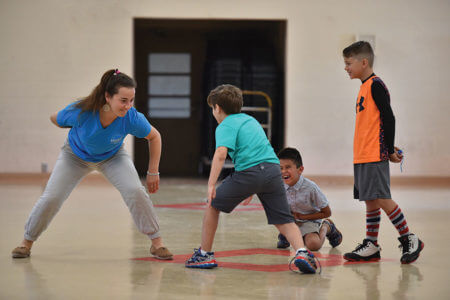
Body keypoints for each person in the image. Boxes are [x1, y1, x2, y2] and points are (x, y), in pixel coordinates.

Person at [11, 69, 173, 260]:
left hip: (112, 157)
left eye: (131, 100)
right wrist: (68, 123)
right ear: (107, 97)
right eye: (123, 100)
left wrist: (153, 171)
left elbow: (154, 137)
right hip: (75, 156)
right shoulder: (82, 112)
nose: (128, 106)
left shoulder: (131, 117)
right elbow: (55, 118)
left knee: (135, 190)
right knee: (52, 197)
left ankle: (157, 243)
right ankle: (26, 242)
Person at [185, 84, 318, 274]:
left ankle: (204, 254)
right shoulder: (251, 120)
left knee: (213, 204)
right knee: (285, 220)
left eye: (212, 108)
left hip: (250, 173)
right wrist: (253, 187)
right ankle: (302, 252)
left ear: (217, 108)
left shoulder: (225, 125)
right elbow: (259, 155)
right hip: (273, 171)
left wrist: (211, 184)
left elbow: (221, 153)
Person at [342, 41, 424, 263]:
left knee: (382, 198)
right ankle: (371, 244)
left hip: (374, 153)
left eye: (349, 63)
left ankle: (409, 237)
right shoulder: (363, 86)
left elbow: (389, 117)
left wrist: (388, 149)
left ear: (364, 62)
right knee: (370, 199)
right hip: (362, 154)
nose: (346, 68)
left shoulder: (376, 85)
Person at [276, 147, 342, 251]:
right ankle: (286, 235)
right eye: (280, 168)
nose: (284, 171)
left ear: (300, 169)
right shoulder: (279, 186)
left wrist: (303, 216)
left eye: (288, 167)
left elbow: (327, 212)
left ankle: (327, 226)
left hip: (310, 221)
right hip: (292, 222)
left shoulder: (311, 188)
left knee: (313, 245)